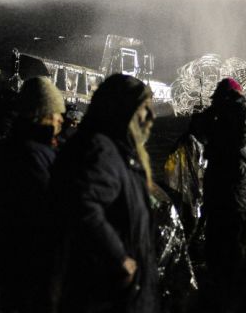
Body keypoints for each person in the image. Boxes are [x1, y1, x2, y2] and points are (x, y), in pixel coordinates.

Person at [50, 74, 158, 313]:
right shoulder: (100, 150)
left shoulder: (111, 149)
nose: (152, 116)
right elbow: (81, 205)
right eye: (144, 108)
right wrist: (119, 260)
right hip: (108, 297)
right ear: (122, 110)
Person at [0, 76, 65, 312]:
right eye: (56, 112)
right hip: (32, 263)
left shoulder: (31, 147)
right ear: (41, 114)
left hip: (25, 260)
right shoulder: (28, 154)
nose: (61, 118)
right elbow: (46, 207)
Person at [190, 78, 246, 312]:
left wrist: (217, 112)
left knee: (232, 255)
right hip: (222, 193)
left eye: (218, 100)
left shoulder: (241, 112)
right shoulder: (229, 113)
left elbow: (233, 144)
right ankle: (222, 297)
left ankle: (231, 301)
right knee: (217, 252)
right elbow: (202, 130)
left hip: (236, 196)